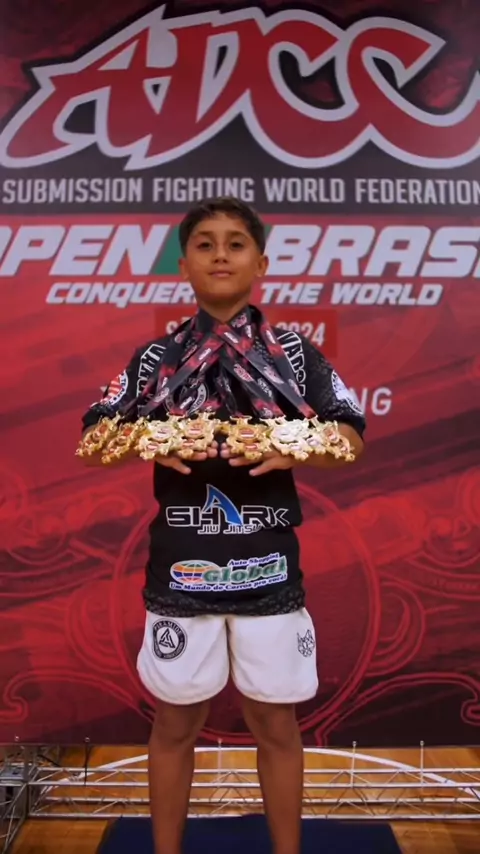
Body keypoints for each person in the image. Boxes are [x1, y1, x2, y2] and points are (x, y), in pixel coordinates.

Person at [80, 197, 365, 854]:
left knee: (277, 724)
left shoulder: (294, 355)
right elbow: (93, 434)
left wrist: (298, 444)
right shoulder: (157, 358)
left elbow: (351, 435)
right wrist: (146, 439)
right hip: (182, 569)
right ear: (183, 265)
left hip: (269, 567)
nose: (220, 255)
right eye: (204, 244)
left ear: (260, 263)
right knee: (175, 724)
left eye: (236, 244)